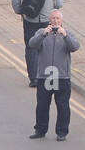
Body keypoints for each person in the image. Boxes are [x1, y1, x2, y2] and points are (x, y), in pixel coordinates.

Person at [11, 0, 63, 86]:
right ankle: (45, 76)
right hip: (47, 21)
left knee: (31, 46)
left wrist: (20, 11)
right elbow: (60, 3)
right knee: (45, 47)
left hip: (30, 19)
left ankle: (33, 78)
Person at [27, 9, 78, 141]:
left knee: (62, 105)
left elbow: (74, 47)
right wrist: (43, 34)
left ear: (61, 21)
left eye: (58, 19)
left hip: (62, 76)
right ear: (50, 20)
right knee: (42, 105)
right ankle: (40, 129)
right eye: (53, 18)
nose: (55, 21)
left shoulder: (67, 33)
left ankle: (62, 132)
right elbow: (32, 44)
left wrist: (65, 35)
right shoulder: (41, 32)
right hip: (46, 76)